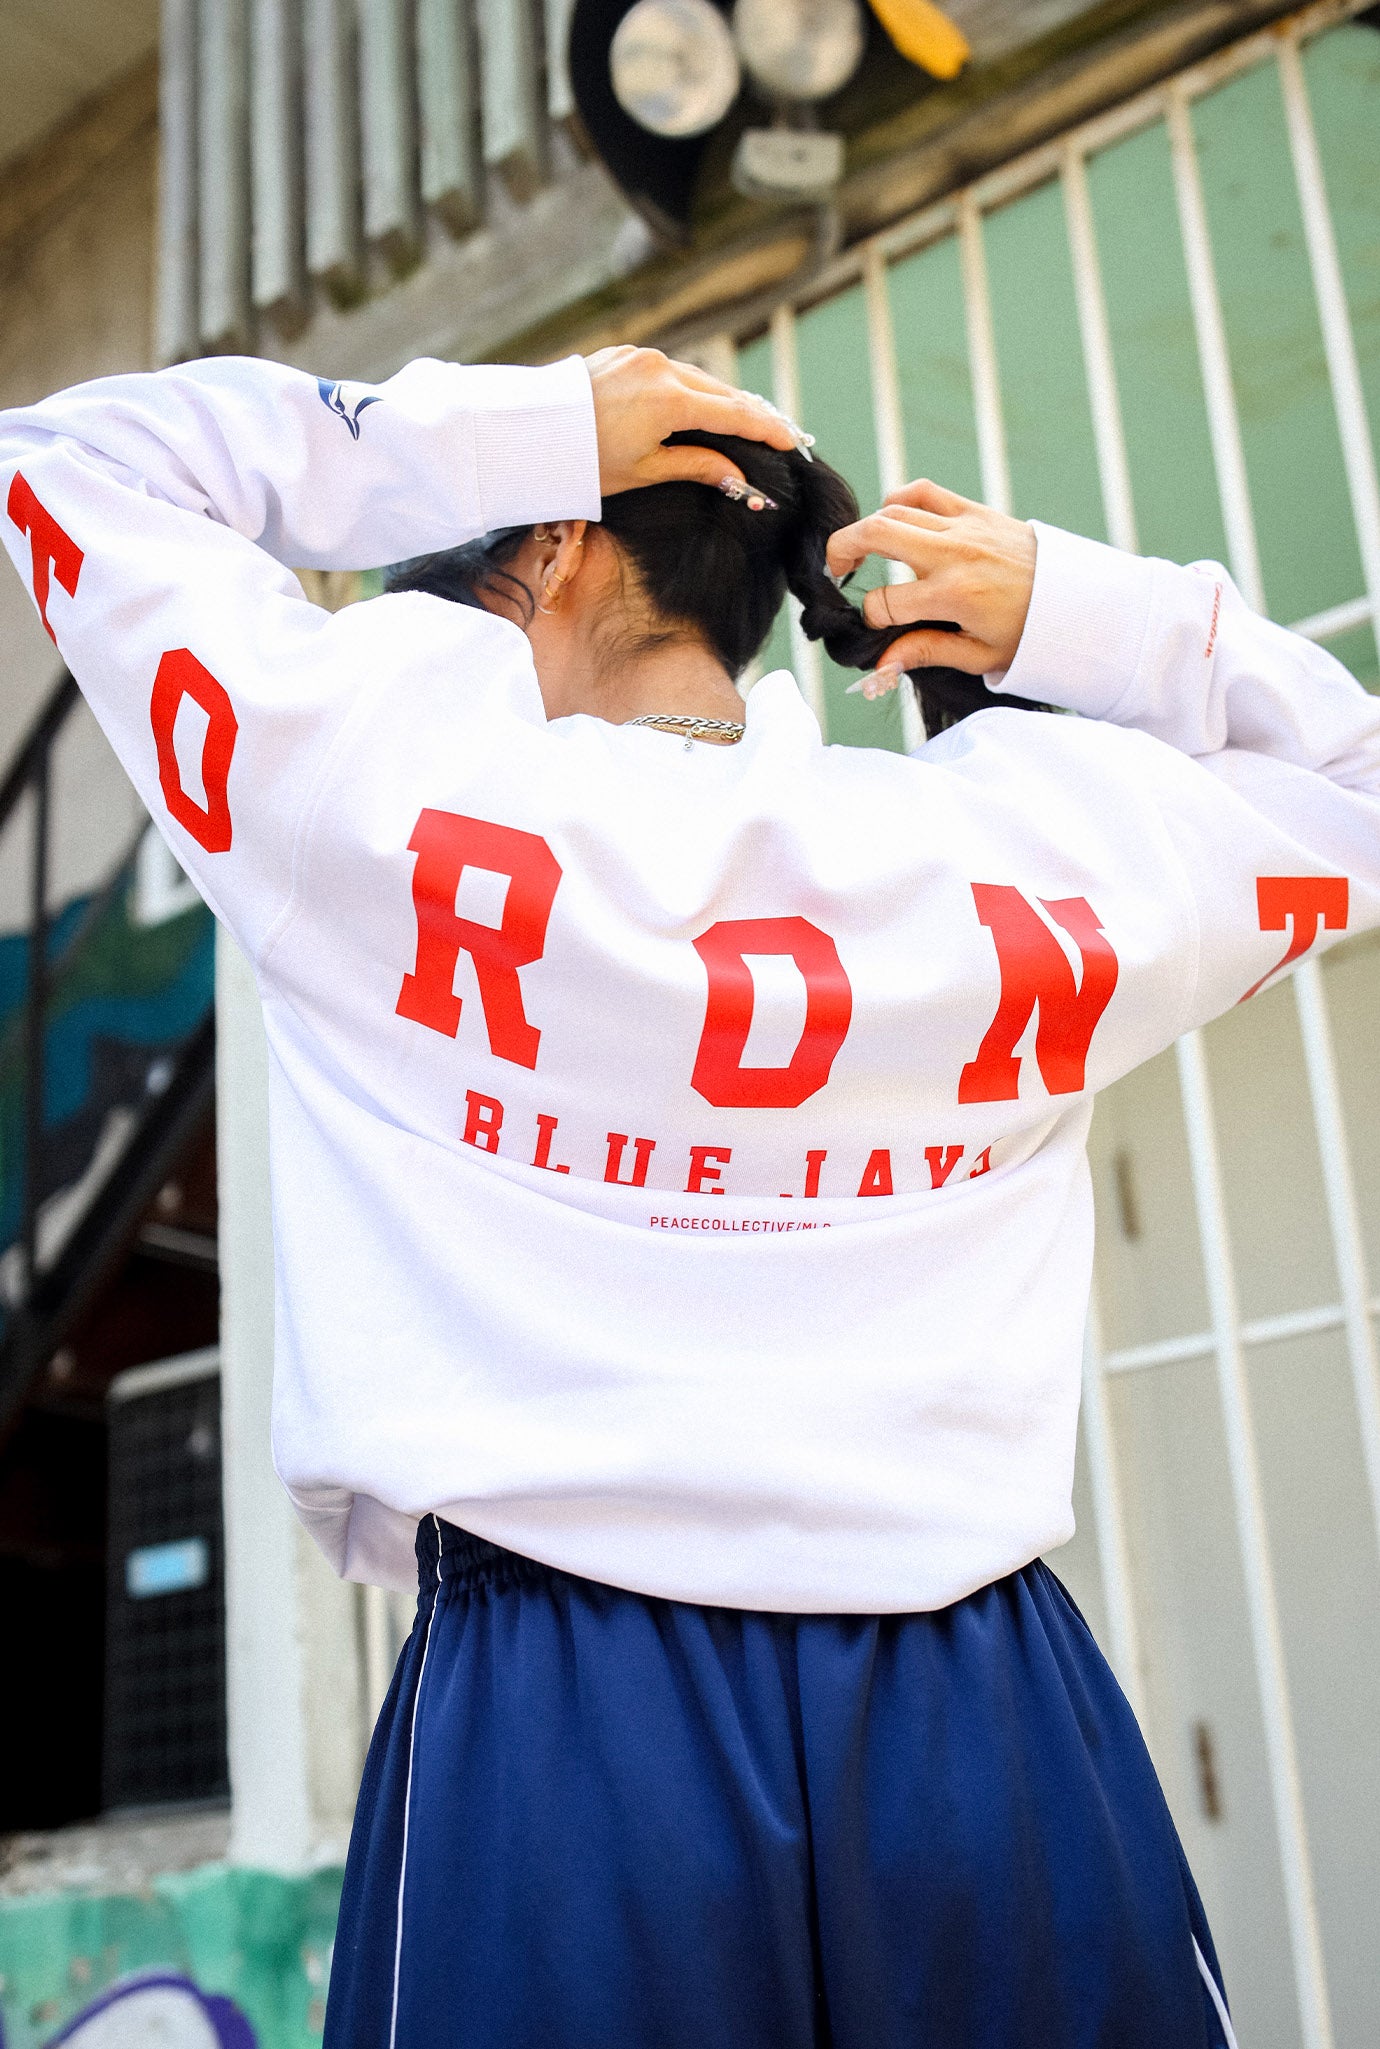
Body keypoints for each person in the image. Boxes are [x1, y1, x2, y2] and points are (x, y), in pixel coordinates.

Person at [2, 342, 1375, 2049]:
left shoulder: (377, 788)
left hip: (565, 1716)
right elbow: (1359, 789)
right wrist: (1077, 615)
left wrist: (527, 422)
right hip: (981, 1703)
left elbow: (72, 459)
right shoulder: (1015, 847)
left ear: (557, 546)